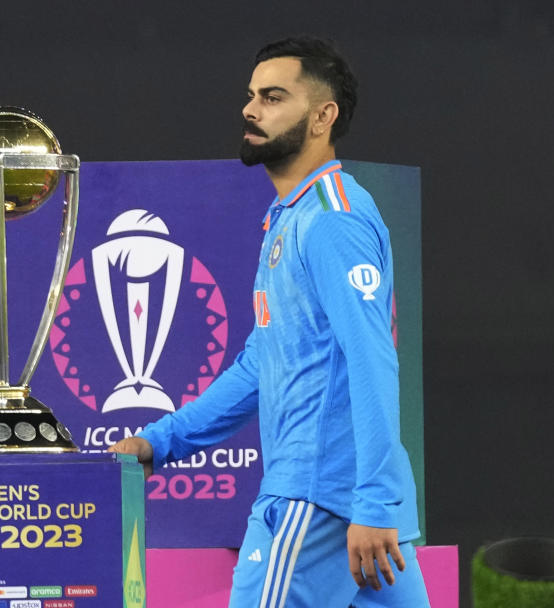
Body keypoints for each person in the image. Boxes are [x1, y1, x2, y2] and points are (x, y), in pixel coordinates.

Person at [108, 37, 430, 607]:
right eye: (251, 96)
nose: (250, 109)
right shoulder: (292, 218)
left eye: (274, 97)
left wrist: (375, 501)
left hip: (321, 502)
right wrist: (163, 441)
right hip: (352, 507)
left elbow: (372, 356)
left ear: (322, 117)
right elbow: (262, 363)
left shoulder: (331, 220)